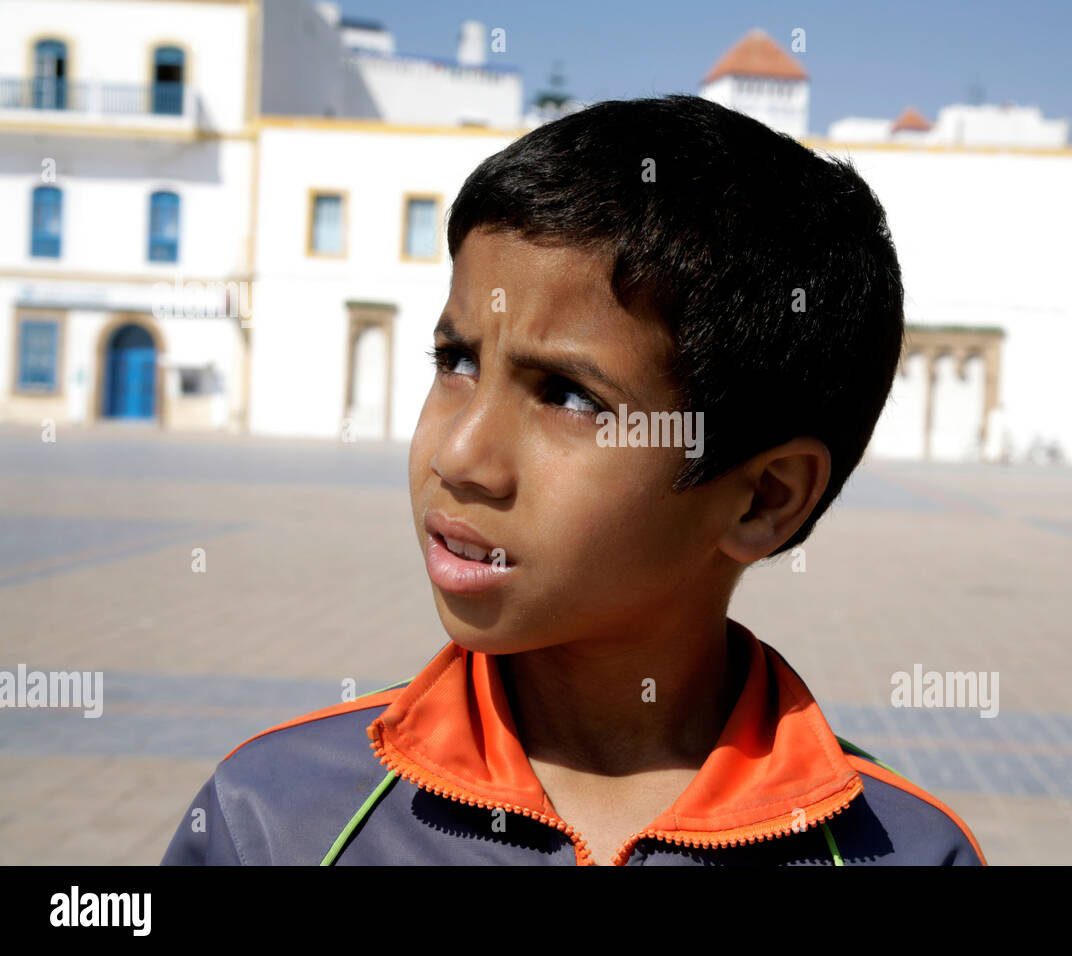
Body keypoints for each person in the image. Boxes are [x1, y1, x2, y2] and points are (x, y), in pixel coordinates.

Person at [160, 95, 985, 867]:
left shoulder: (898, 849)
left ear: (764, 498)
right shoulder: (280, 818)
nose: (460, 457)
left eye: (567, 395)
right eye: (455, 361)